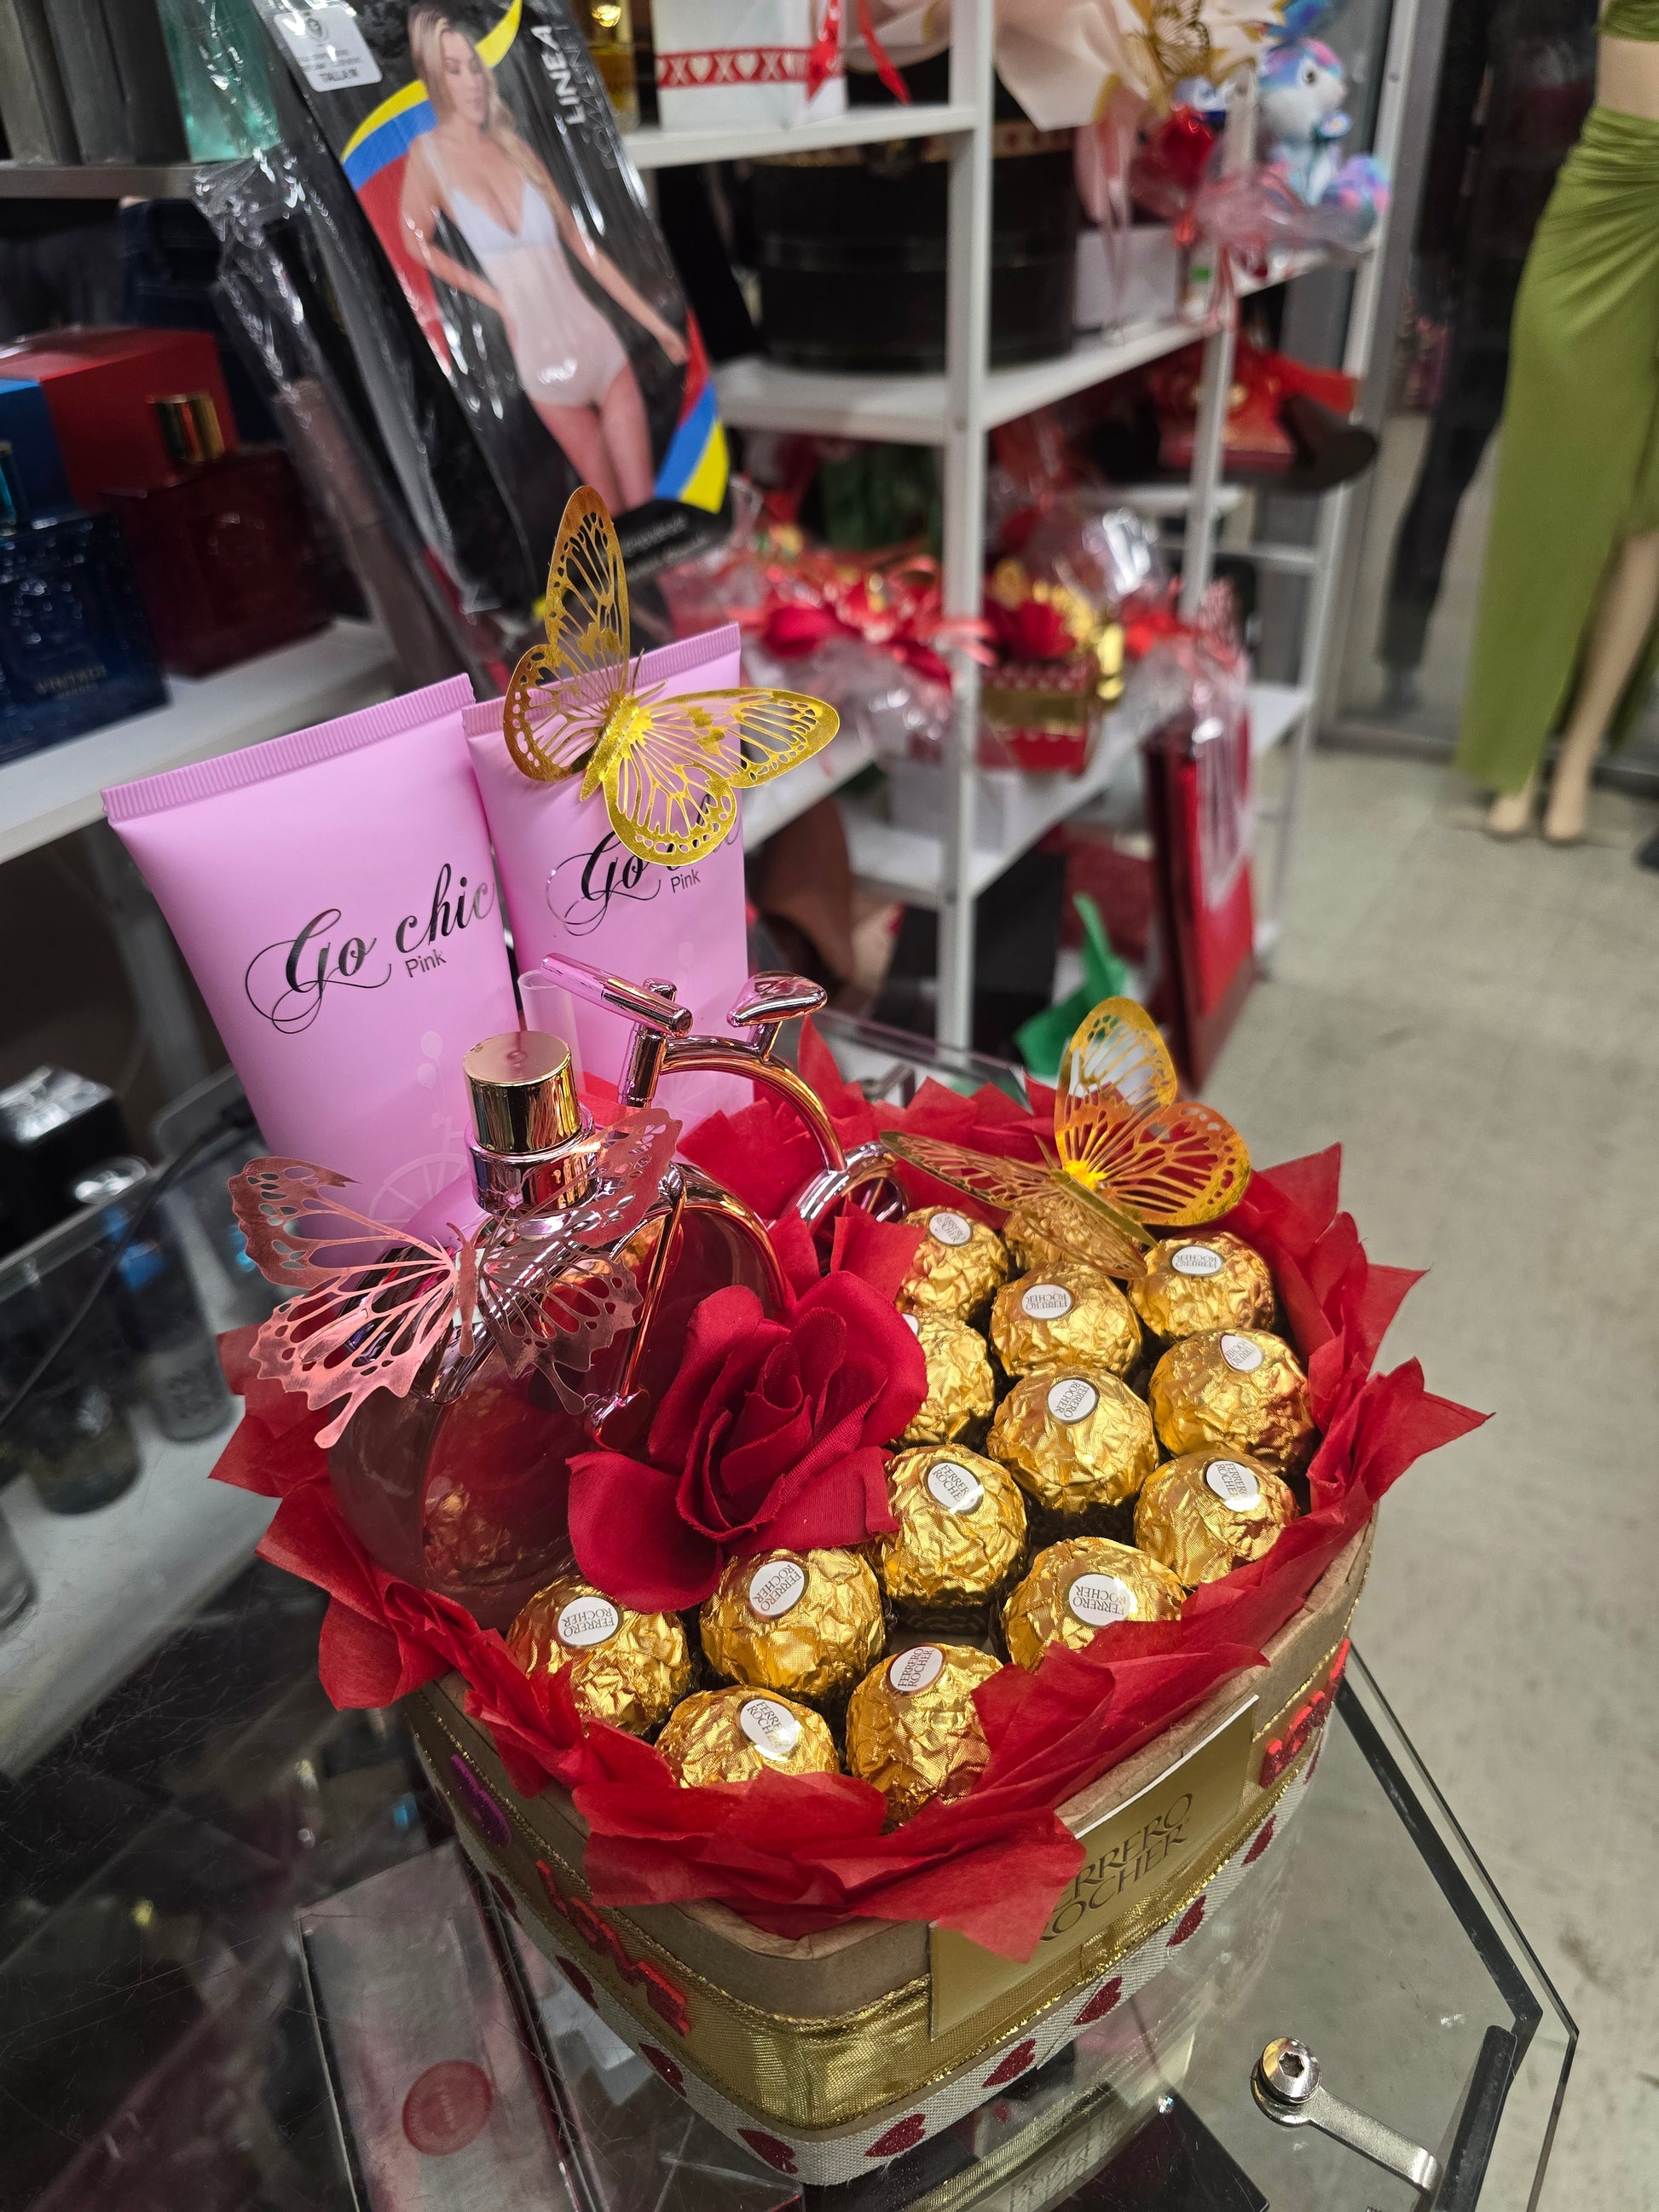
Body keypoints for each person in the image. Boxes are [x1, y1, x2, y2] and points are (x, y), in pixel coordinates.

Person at [1457, 0, 1659, 841]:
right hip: (1608, 200)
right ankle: (1518, 748)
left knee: (1649, 518)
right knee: (1551, 491)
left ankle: (1576, 756)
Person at [399, 6, 685, 512]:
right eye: (454, 69)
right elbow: (413, 240)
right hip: (540, 365)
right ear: (433, 78)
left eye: (474, 66)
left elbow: (585, 248)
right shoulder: (429, 157)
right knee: (609, 520)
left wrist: (658, 326)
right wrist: (491, 296)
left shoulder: (517, 151)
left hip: (601, 346)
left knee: (648, 510)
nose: (471, 83)